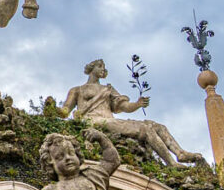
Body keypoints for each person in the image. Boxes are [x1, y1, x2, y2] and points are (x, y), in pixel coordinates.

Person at [59, 59, 203, 167]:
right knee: (145, 129)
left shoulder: (108, 89)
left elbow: (124, 106)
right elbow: (65, 110)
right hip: (93, 120)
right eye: (100, 66)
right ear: (91, 68)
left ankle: (180, 153)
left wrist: (137, 104)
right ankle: (171, 163)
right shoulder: (77, 90)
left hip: (109, 119)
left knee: (157, 126)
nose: (103, 69)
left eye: (104, 67)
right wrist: (54, 109)